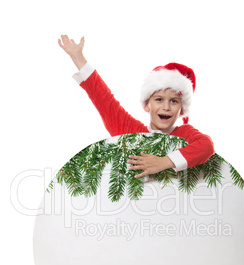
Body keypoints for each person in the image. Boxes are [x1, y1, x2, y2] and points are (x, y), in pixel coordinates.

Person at [58, 35, 215, 179]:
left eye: (174, 101)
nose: (166, 107)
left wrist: (164, 162)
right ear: (147, 105)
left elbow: (206, 145)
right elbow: (105, 102)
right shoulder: (131, 132)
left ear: (182, 108)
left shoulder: (184, 134)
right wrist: (78, 58)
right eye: (159, 99)